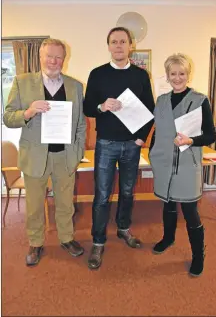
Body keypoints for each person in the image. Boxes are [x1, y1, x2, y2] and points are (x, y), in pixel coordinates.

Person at [3, 38, 86, 266]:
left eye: (59, 57)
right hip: (35, 156)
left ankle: (67, 238)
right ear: (40, 57)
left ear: (64, 59)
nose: (54, 61)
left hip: (65, 156)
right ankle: (36, 242)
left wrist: (78, 152)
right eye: (49, 56)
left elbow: (80, 124)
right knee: (35, 204)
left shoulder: (75, 86)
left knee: (65, 203)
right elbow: (8, 117)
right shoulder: (22, 82)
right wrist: (28, 112)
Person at [83, 27, 155, 270]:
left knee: (127, 191)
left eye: (123, 41)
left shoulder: (141, 75)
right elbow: (87, 107)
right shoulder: (97, 74)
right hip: (105, 144)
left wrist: (141, 138)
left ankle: (123, 229)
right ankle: (98, 240)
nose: (118, 46)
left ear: (130, 46)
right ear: (109, 46)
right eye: (114, 42)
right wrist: (102, 106)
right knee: (102, 196)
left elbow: (150, 110)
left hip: (132, 146)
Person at [149, 53, 216, 277]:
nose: (177, 78)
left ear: (188, 75)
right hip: (164, 162)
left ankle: (198, 255)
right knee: (167, 205)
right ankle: (168, 239)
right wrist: (152, 152)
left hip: (187, 164)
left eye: (182, 73)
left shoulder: (199, 100)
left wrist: (191, 141)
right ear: (167, 76)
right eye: (173, 74)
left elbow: (210, 135)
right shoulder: (161, 100)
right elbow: (157, 128)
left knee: (190, 211)